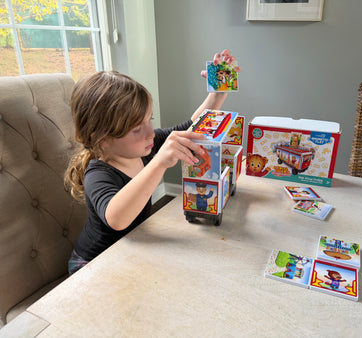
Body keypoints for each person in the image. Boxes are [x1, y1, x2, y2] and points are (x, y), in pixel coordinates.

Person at [65, 50, 240, 275]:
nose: (150, 132)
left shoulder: (143, 145)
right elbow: (117, 219)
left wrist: (218, 93)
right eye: (136, 128)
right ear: (103, 138)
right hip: (92, 265)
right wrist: (159, 163)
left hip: (132, 249)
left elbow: (192, 128)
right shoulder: (97, 174)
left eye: (150, 119)